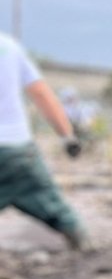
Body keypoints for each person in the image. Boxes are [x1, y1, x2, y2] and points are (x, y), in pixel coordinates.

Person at [0, 32, 87, 249]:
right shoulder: (9, 46)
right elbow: (40, 92)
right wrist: (67, 136)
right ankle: (83, 244)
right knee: (55, 206)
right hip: (17, 148)